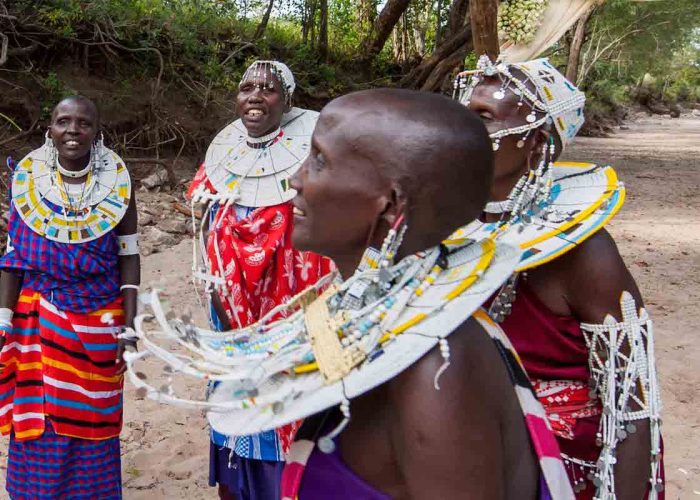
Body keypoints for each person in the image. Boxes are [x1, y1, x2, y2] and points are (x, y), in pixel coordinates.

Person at [129, 89, 575, 499]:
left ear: (391, 203)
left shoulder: (434, 373)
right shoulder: (384, 319)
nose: (295, 180)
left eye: (318, 160)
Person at [455, 56, 663, 498]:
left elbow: (631, 405)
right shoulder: (450, 227)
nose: (462, 129)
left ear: (537, 142)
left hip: (558, 475)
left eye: (484, 118)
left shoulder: (587, 252)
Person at [187, 60, 334, 500]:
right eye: (247, 87)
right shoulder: (223, 155)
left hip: (298, 303)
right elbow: (199, 201)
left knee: (305, 396)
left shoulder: (314, 156)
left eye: (267, 89)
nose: (255, 95)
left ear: (287, 100)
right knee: (237, 408)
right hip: (231, 310)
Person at [0, 95, 139, 499]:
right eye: (64, 121)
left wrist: (130, 327)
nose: (73, 131)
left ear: (97, 132)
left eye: (83, 123)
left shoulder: (117, 183)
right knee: (38, 426)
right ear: (51, 128)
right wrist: (3, 320)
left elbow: (129, 257)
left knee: (95, 427)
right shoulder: (28, 183)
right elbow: (12, 259)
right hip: (38, 325)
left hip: (100, 326)